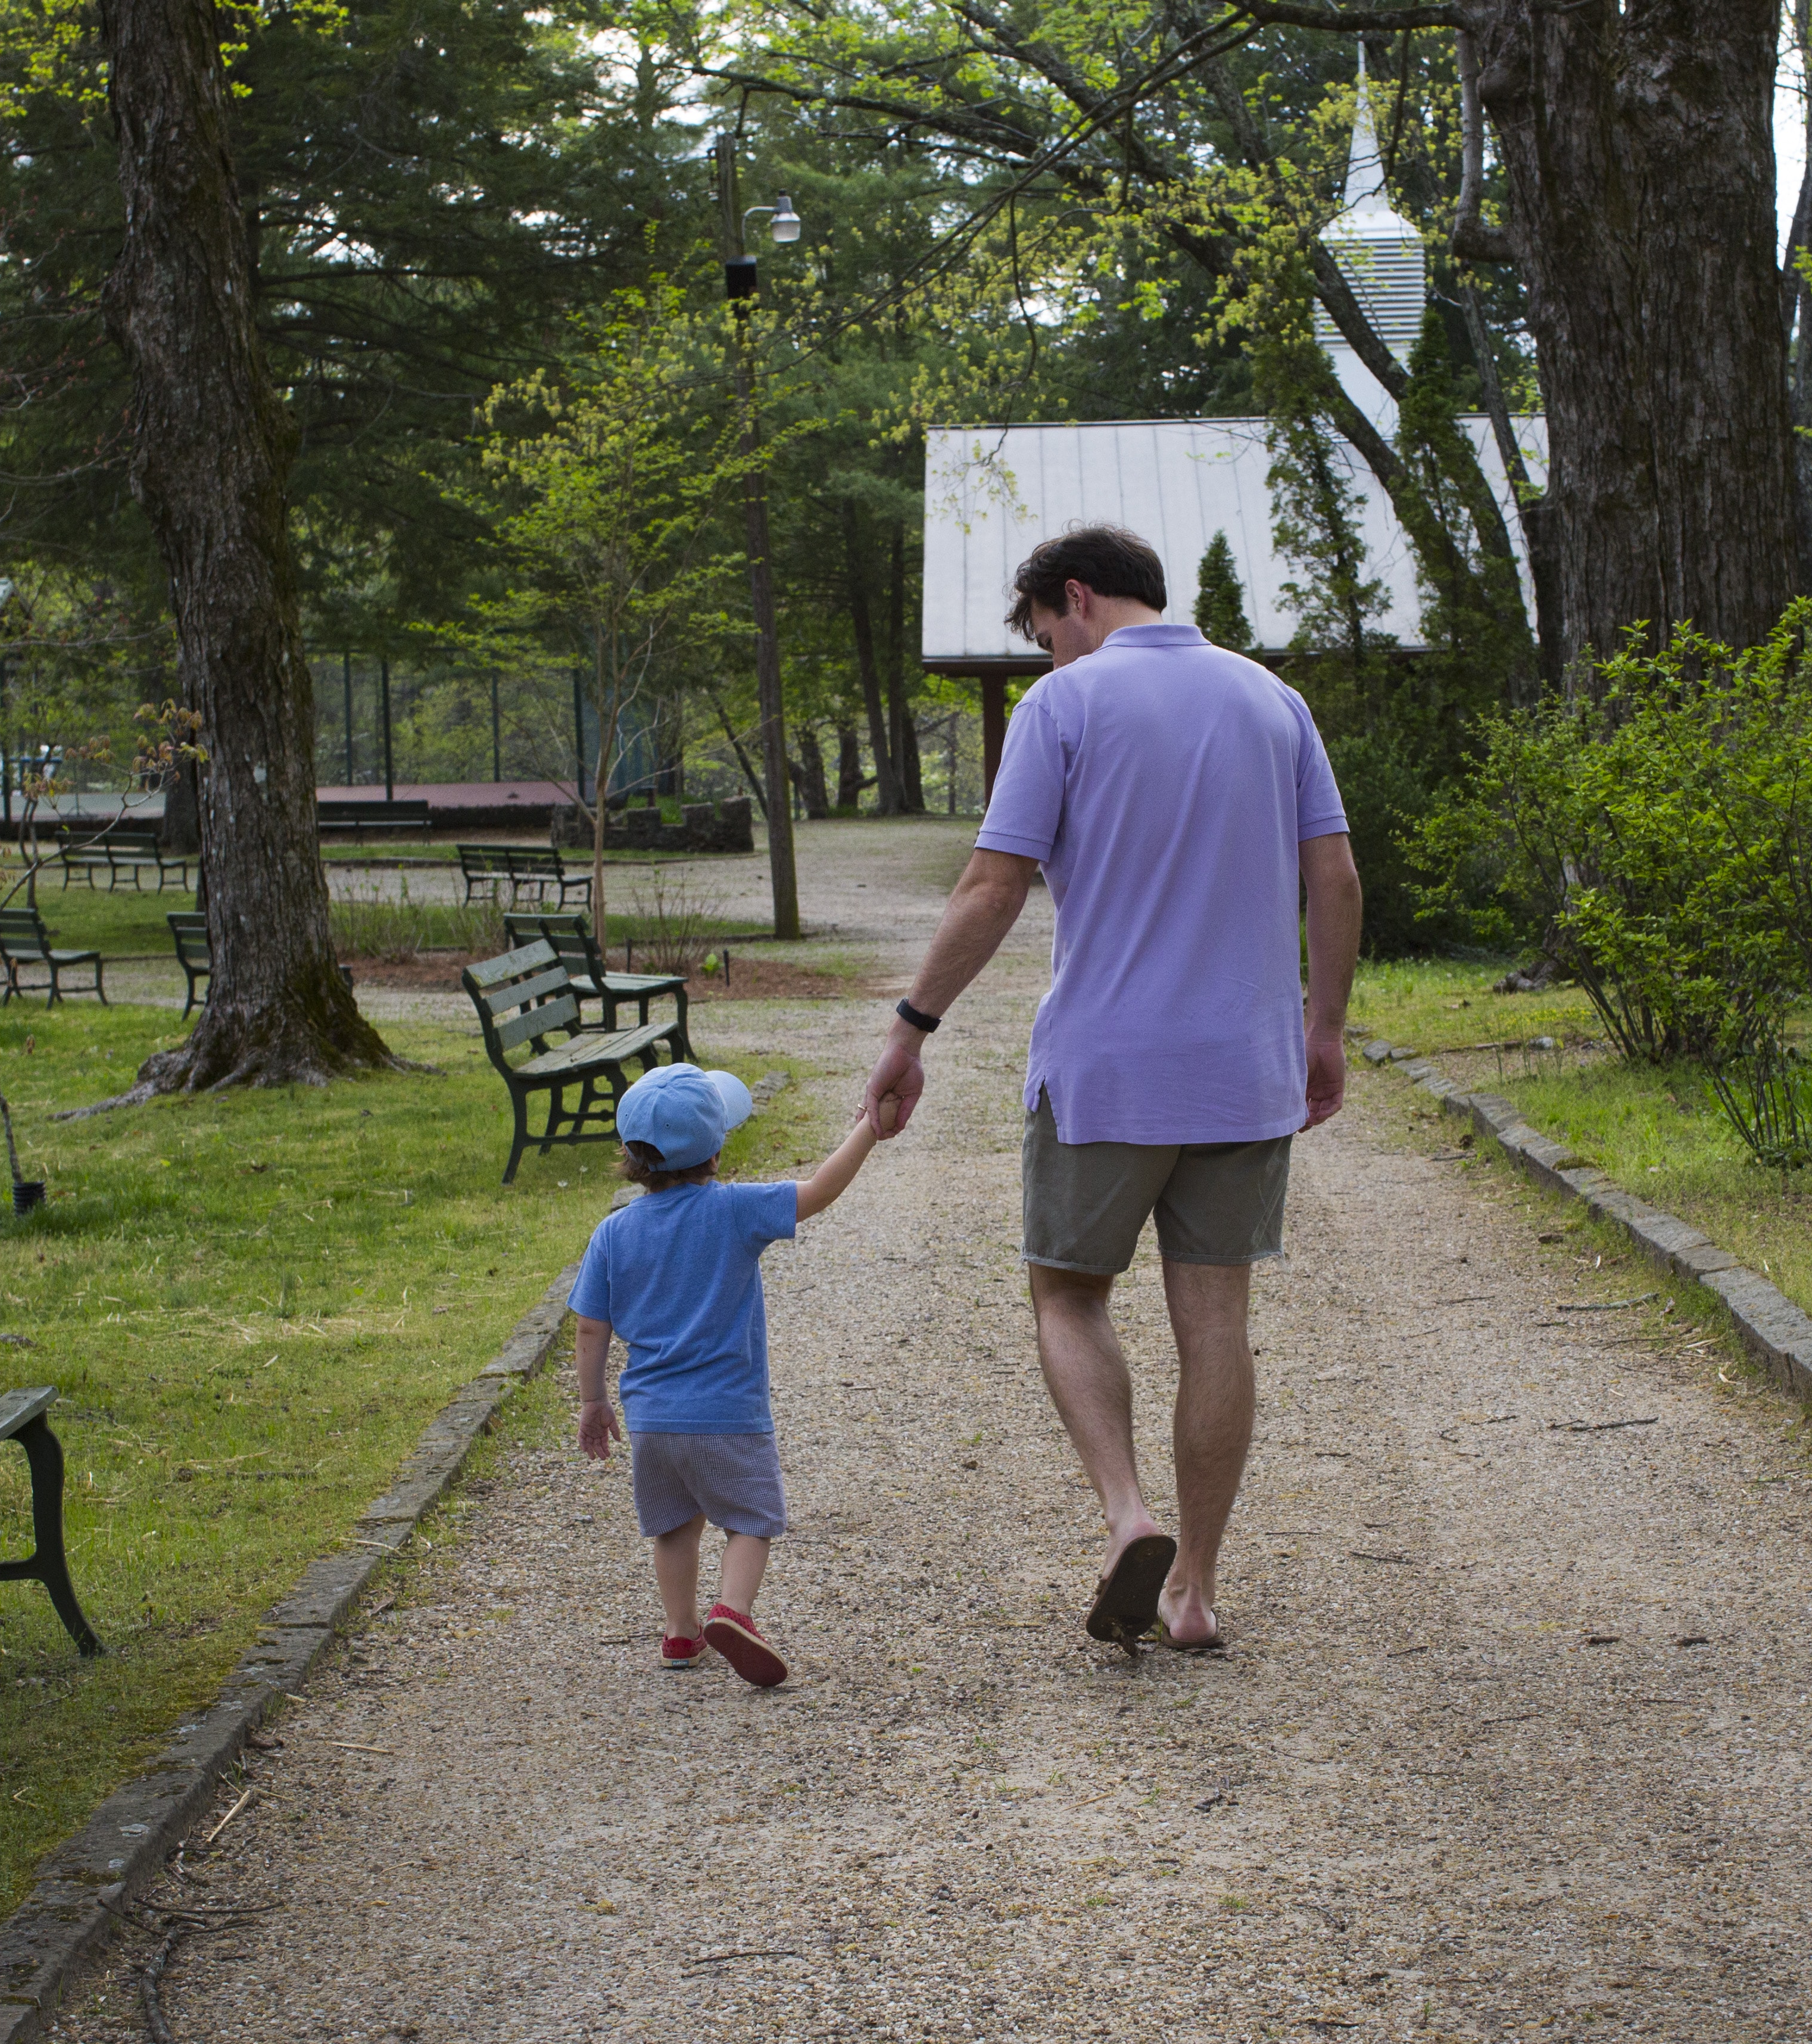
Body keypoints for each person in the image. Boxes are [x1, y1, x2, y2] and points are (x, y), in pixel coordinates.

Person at [860, 523, 1362, 1652]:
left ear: (1076, 598)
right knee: (1216, 1321)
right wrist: (1323, 1029)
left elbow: (993, 886)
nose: (1050, 655)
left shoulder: (1064, 706)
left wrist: (911, 1028)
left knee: (1068, 1294)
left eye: (1047, 634)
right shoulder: (1273, 702)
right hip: (1244, 1072)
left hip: (1106, 1073)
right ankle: (1195, 1589)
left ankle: (1129, 1514)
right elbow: (1332, 874)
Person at [573, 1063, 879, 1687]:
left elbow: (589, 1328)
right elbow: (820, 1190)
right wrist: (868, 1129)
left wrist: (593, 1400)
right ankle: (733, 1611)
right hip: (728, 1414)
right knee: (750, 1521)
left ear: (631, 1157)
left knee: (673, 1527)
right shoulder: (735, 1209)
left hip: (652, 1421)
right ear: (715, 1152)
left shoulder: (612, 1233)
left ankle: (680, 1632)